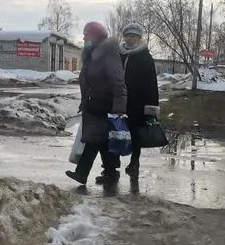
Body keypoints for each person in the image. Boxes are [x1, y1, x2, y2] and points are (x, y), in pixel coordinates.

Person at [66, 21, 127, 186]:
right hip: (94, 104)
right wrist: (84, 101)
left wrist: (120, 107)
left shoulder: (108, 55)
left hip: (105, 105)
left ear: (96, 36)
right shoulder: (92, 54)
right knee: (103, 141)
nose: (84, 38)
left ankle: (82, 173)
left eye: (87, 34)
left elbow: (118, 81)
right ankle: (110, 173)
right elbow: (87, 81)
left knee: (94, 140)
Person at [118, 23, 159, 178]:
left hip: (138, 102)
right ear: (124, 37)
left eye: (134, 36)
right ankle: (111, 166)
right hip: (119, 100)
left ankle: (134, 162)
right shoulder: (119, 54)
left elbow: (151, 84)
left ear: (139, 38)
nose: (131, 39)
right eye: (128, 35)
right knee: (114, 132)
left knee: (136, 133)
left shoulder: (145, 57)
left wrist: (151, 108)